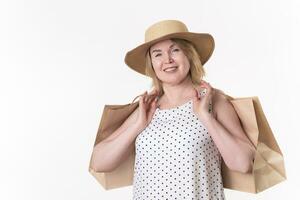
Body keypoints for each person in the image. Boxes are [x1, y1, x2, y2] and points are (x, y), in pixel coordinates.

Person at [90, 20, 256, 200]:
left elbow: (243, 164)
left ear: (189, 55)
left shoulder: (213, 102)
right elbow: (99, 163)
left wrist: (205, 117)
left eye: (175, 50)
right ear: (152, 64)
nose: (167, 60)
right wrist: (138, 125)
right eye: (157, 54)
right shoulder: (147, 108)